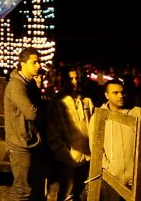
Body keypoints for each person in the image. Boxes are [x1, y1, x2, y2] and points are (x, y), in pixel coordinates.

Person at [4, 47, 49, 200]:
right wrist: (49, 115)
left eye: (39, 62)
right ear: (23, 64)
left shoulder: (29, 84)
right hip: (20, 144)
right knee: (22, 190)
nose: (38, 66)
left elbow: (40, 105)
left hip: (29, 141)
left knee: (29, 187)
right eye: (34, 62)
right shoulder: (17, 86)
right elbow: (33, 113)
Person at [90, 79, 141, 201]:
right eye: (115, 93)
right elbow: (95, 147)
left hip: (136, 178)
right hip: (111, 179)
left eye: (122, 92)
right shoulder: (98, 117)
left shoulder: (137, 112)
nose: (121, 95)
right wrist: (109, 169)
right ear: (106, 95)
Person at [47, 67, 95, 201]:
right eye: (70, 79)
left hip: (87, 158)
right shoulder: (58, 102)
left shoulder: (86, 101)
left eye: (76, 78)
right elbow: (52, 132)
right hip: (68, 159)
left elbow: (94, 126)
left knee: (82, 193)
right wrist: (65, 153)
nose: (75, 82)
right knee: (67, 195)